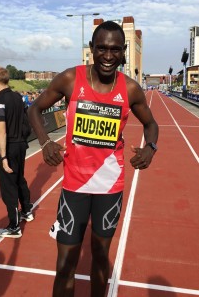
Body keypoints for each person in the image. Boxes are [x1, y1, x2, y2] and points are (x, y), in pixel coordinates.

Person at [28, 21, 159, 296]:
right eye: (101, 48)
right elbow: (35, 110)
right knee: (65, 264)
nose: (108, 56)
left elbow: (151, 125)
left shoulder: (131, 89)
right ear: (91, 49)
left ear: (123, 52)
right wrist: (45, 142)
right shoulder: (70, 79)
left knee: (100, 258)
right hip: (74, 186)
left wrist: (151, 148)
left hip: (109, 187)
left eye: (114, 50)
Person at [0, 66, 34, 239]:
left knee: (8, 186)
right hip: (21, 145)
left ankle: (14, 226)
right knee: (19, 179)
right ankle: (27, 210)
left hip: (9, 146)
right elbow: (26, 121)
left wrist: (3, 157)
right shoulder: (18, 97)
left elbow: (1, 131)